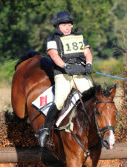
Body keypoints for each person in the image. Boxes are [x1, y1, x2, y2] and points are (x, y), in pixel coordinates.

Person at [37, 10, 94, 147]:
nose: (67, 28)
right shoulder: (52, 39)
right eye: (64, 25)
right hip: (63, 75)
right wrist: (65, 66)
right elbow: (54, 55)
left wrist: (89, 64)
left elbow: (87, 53)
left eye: (69, 25)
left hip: (80, 74)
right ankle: (45, 130)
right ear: (58, 26)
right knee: (59, 101)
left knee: (94, 97)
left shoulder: (78, 37)